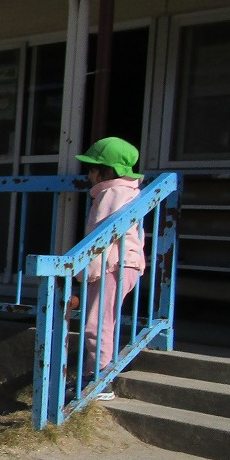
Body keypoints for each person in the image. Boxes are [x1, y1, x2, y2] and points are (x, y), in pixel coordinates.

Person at [71, 137, 146, 394]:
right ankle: (95, 372)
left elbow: (100, 236)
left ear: (106, 172)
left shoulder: (112, 193)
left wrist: (84, 270)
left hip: (112, 265)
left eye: (93, 170)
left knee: (96, 323)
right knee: (104, 320)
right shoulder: (130, 192)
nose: (89, 175)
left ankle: (100, 380)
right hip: (126, 264)